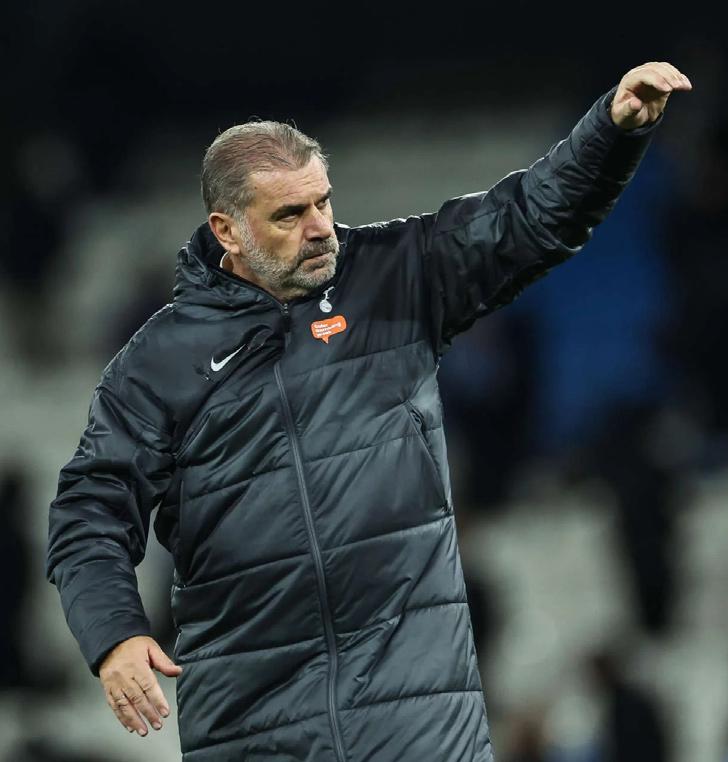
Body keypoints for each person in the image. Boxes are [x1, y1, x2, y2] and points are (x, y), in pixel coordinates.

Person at [46, 62, 691, 762]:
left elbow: (529, 217)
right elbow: (90, 511)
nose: (320, 228)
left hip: (418, 720)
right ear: (227, 231)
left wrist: (610, 133)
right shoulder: (159, 362)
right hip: (253, 728)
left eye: (322, 202)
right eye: (290, 215)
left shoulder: (394, 274)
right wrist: (115, 634)